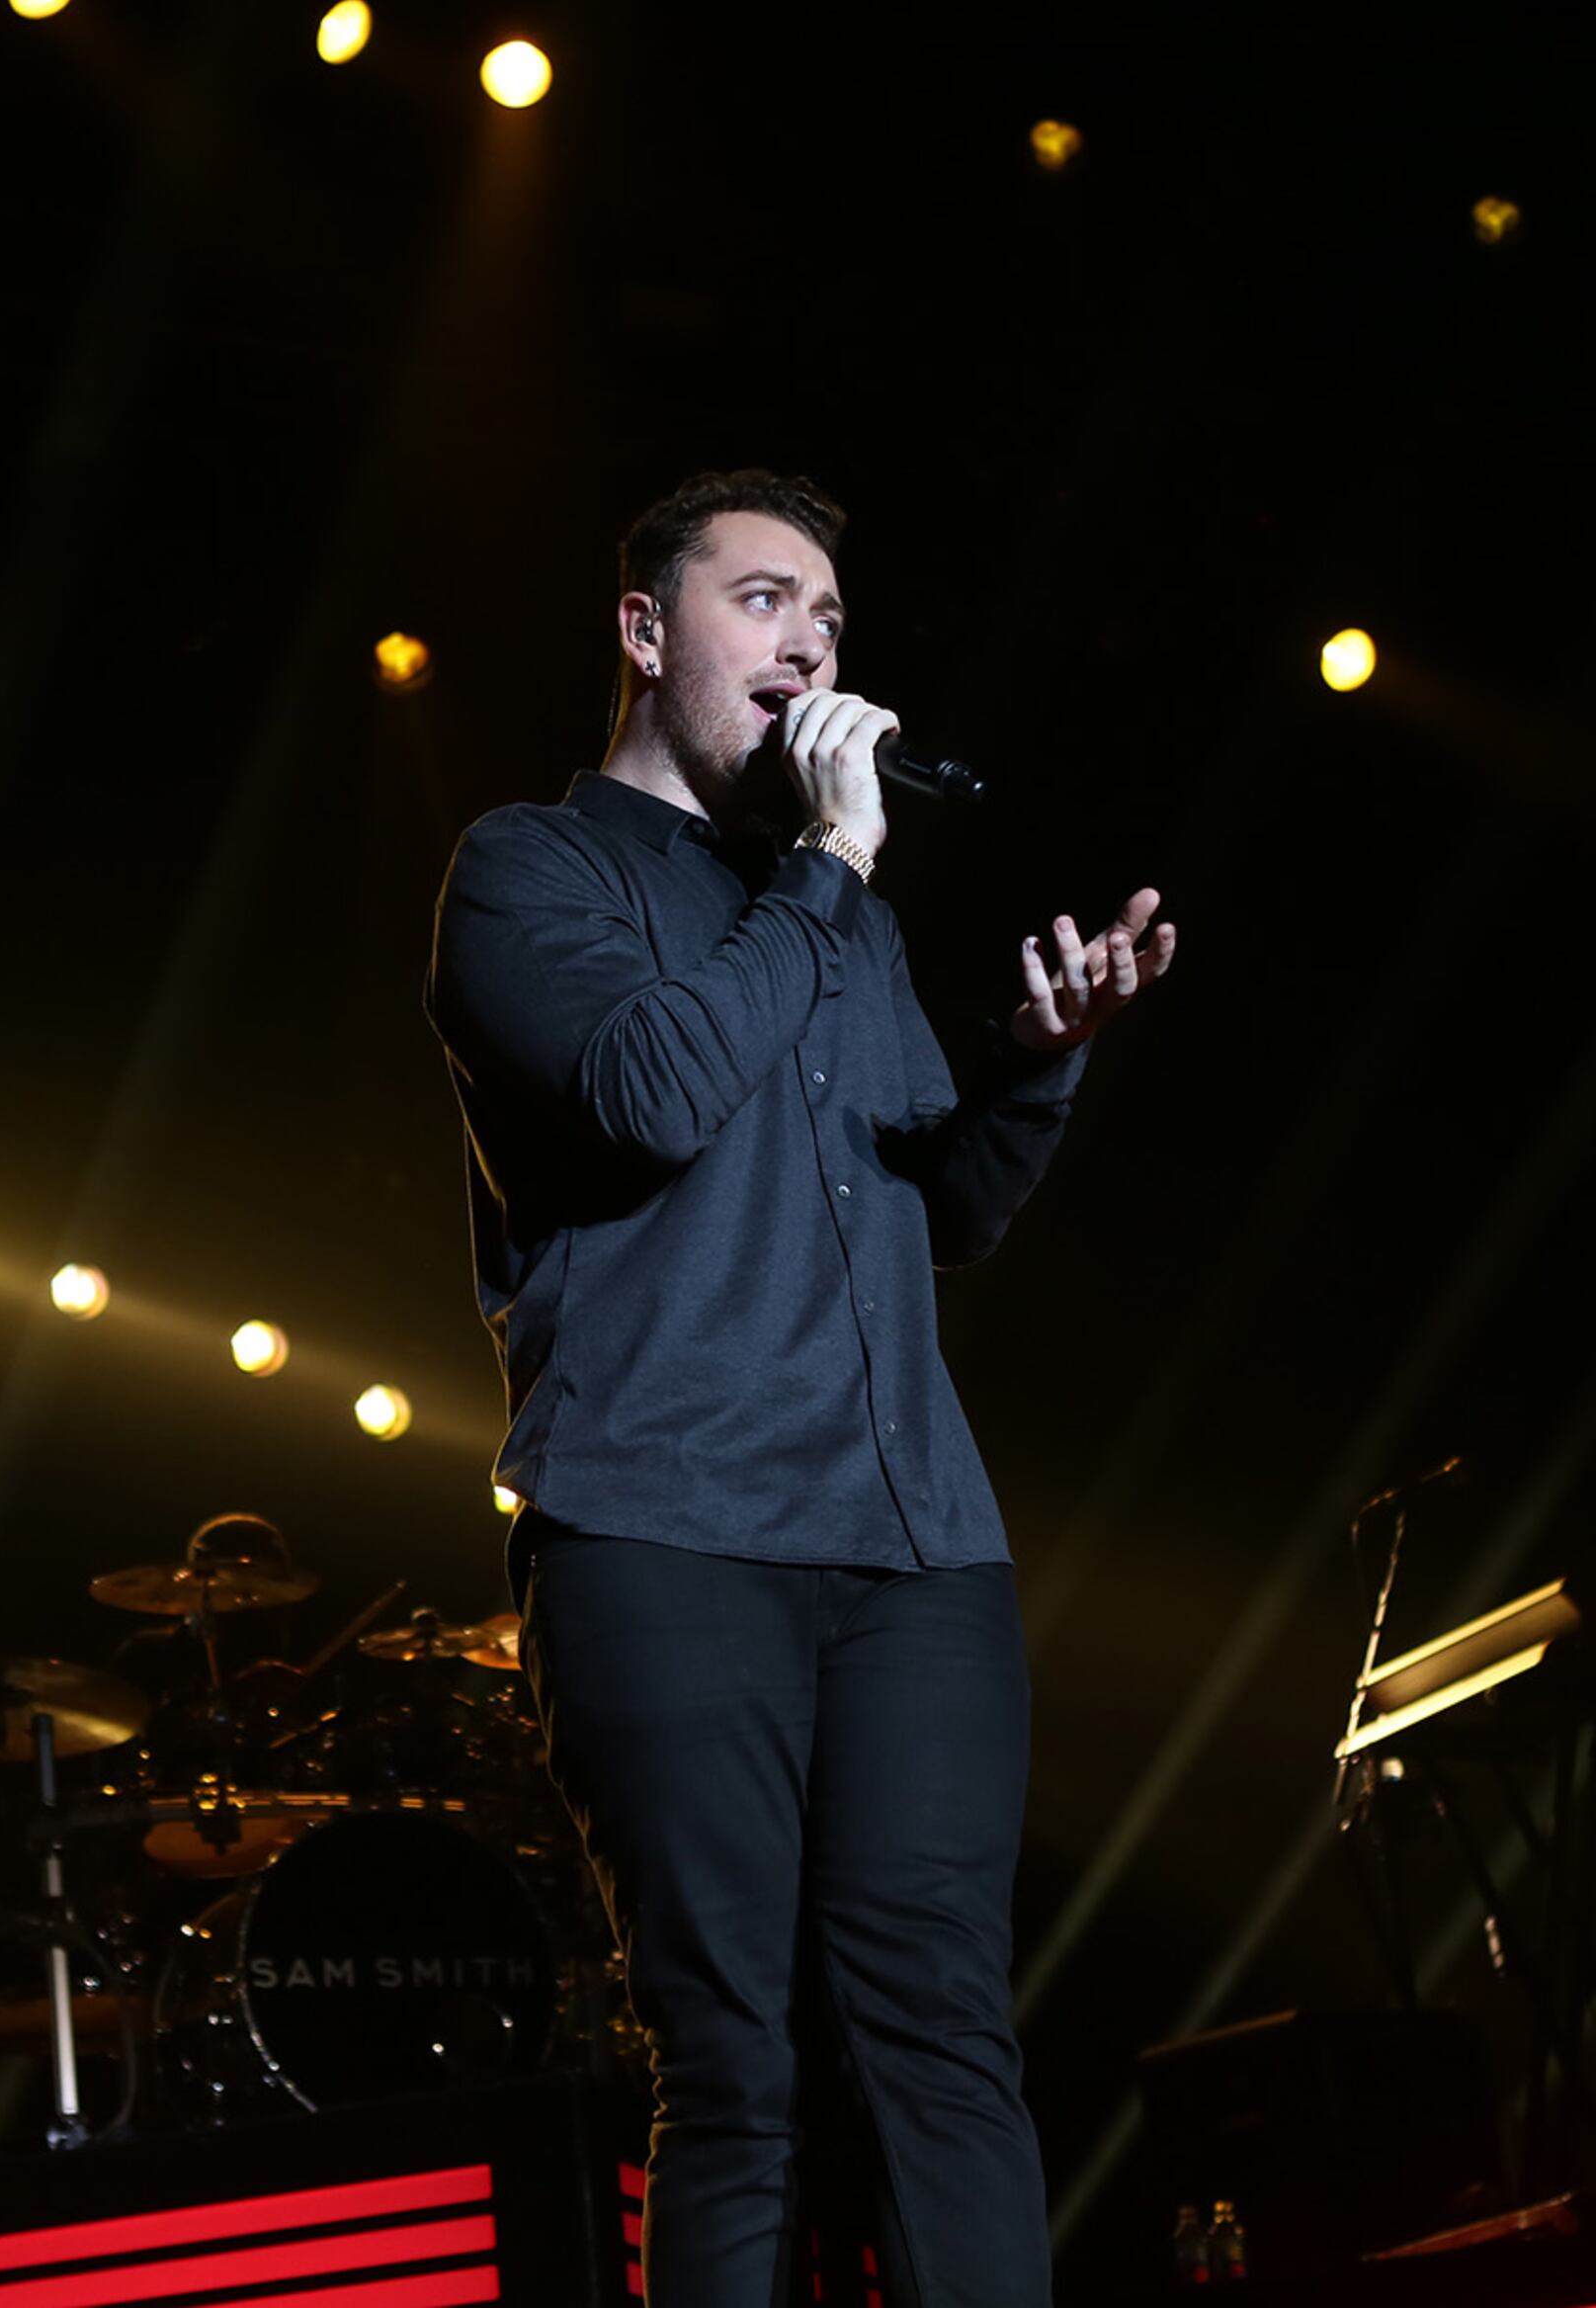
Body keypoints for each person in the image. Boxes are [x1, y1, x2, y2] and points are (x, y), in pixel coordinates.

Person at [425, 469, 1170, 2303]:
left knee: (946, 2038)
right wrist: (832, 865)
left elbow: (946, 1210)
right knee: (737, 2064)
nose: (811, 644)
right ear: (644, 628)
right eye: (764, 599)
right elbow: (652, 1094)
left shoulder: (836, 916)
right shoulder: (529, 868)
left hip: (912, 1542)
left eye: (830, 617)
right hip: (665, 1525)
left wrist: (1036, 1063)